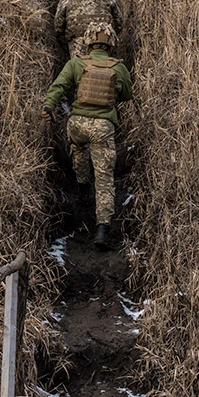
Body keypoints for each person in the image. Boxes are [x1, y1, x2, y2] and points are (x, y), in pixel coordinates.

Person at [42, 24, 133, 249]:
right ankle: (102, 228)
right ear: (111, 43)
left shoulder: (76, 63)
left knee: (79, 152)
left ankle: (82, 189)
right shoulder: (118, 67)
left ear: (88, 42)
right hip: (103, 128)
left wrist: (49, 106)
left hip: (78, 123)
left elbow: (58, 86)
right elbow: (127, 94)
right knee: (104, 178)